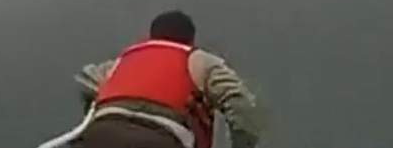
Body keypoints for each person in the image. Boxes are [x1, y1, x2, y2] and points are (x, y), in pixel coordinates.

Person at [70, 10, 263, 148]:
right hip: (161, 139)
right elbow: (241, 105)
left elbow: (86, 79)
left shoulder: (119, 64)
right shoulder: (199, 61)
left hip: (100, 135)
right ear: (190, 40)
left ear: (151, 36)